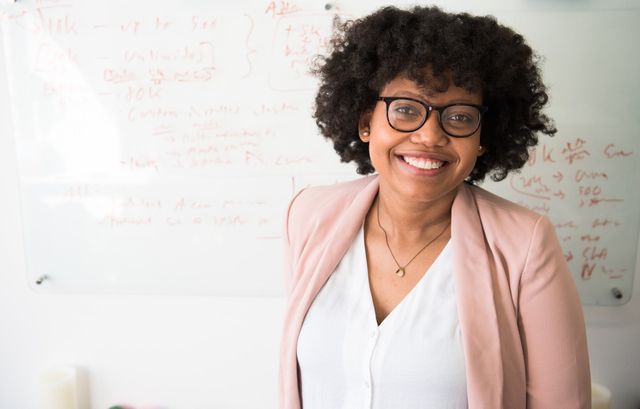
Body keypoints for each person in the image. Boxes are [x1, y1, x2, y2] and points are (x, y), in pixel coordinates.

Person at [279, 5, 590, 409]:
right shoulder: (307, 216)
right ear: (365, 121)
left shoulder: (525, 245)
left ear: (483, 137)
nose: (429, 136)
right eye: (406, 109)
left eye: (459, 117)